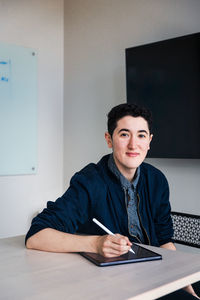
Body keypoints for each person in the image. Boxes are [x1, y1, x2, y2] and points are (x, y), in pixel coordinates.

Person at [26, 103, 199, 299]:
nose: (134, 145)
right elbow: (36, 237)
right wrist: (96, 243)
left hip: (156, 272)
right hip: (114, 284)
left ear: (149, 141)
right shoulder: (89, 181)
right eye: (124, 134)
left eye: (141, 135)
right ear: (109, 139)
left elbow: (165, 240)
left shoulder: (157, 179)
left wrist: (182, 278)